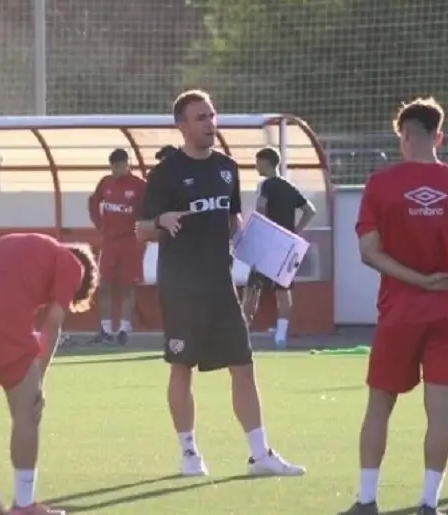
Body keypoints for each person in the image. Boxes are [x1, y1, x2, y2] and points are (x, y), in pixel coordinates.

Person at [339, 97, 448, 515]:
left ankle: (366, 501)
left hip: (399, 314)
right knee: (440, 409)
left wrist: (416, 281)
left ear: (404, 134)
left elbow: (368, 252)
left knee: (379, 404)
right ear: (439, 136)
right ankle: (429, 504)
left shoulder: (380, 184)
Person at [136, 89, 305, 477]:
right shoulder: (165, 174)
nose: (210, 123)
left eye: (212, 116)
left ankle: (260, 455)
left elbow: (234, 223)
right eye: (201, 118)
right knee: (182, 367)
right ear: (182, 125)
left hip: (220, 286)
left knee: (243, 366)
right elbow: (140, 230)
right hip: (181, 288)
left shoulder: (227, 169)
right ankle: (189, 454)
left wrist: (272, 251)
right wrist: (161, 222)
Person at [0, 233, 98, 515]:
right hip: (3, 314)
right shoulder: (70, 264)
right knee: (27, 411)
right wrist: (38, 381)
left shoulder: (19, 244)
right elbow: (53, 323)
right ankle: (24, 504)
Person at [241, 146, 317, 347]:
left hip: (267, 243)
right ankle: (281, 335)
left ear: (265, 163)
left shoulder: (266, 185)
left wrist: (258, 232)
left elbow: (260, 208)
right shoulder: (288, 186)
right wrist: (295, 231)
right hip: (286, 245)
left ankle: (241, 333)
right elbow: (310, 211)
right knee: (283, 291)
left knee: (252, 289)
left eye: (257, 162)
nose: (255, 166)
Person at [87, 148, 146, 345]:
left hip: (130, 241)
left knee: (128, 286)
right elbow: (93, 202)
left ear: (127, 164)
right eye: (113, 167)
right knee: (103, 285)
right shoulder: (106, 183)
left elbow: (149, 208)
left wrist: (142, 227)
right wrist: (100, 224)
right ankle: (105, 330)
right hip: (109, 242)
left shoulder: (139, 186)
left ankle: (123, 329)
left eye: (119, 166)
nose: (115, 170)